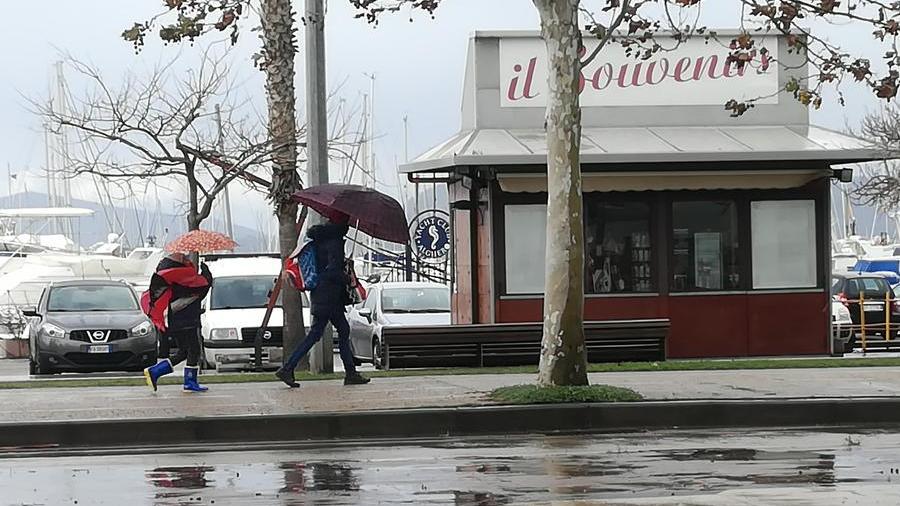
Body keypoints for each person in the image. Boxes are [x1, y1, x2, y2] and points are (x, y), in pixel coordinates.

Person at [276, 217, 370, 388]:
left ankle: (350, 372)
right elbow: (332, 272)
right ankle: (288, 368)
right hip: (330, 297)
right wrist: (346, 275)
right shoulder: (335, 243)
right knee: (321, 333)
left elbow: (323, 269)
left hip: (320, 295)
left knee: (338, 330)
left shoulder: (319, 240)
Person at [142, 252, 213, 393]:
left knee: (184, 352)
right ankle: (188, 382)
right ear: (178, 261)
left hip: (177, 320)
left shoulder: (168, 274)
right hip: (186, 320)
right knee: (193, 350)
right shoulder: (181, 276)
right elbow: (200, 289)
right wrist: (206, 273)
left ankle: (156, 372)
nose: (187, 259)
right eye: (184, 258)